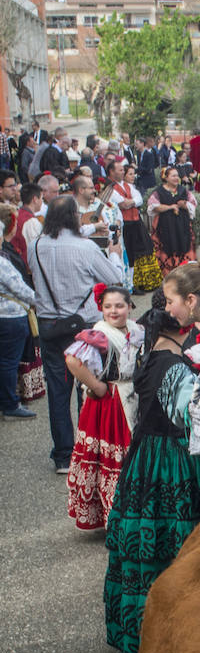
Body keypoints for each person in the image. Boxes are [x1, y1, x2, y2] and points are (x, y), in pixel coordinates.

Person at [103, 293, 200, 653]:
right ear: (181, 331)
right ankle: (170, 640)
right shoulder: (176, 368)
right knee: (173, 541)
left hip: (143, 458)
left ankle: (136, 631)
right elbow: (190, 416)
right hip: (171, 462)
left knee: (142, 542)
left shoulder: (146, 357)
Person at [29, 195, 123, 473]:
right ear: (73, 216)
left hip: (49, 324)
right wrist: (114, 254)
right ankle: (89, 449)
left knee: (58, 391)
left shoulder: (36, 246)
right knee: (89, 387)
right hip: (83, 326)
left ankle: (63, 455)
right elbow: (113, 278)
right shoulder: (85, 248)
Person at [64, 284, 143, 531]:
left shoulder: (136, 329)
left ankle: (130, 515)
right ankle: (115, 518)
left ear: (129, 306)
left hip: (132, 396)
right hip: (111, 404)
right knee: (115, 457)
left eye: (119, 306)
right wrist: (97, 387)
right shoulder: (100, 334)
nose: (113, 311)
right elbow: (73, 360)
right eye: (108, 306)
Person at [0, 202, 37, 420]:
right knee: (8, 362)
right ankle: (10, 405)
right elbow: (20, 289)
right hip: (9, 317)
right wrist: (39, 301)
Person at [108, 162, 159, 293]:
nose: (122, 172)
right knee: (129, 253)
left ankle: (138, 281)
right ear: (111, 172)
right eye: (119, 170)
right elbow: (122, 204)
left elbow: (139, 199)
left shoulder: (128, 186)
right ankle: (129, 284)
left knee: (141, 250)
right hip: (125, 223)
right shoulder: (111, 188)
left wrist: (131, 202)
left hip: (135, 221)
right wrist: (131, 202)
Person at [147, 167, 197, 275]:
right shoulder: (159, 192)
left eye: (177, 176)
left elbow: (193, 204)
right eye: (173, 176)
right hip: (165, 226)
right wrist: (170, 207)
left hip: (181, 225)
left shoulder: (183, 190)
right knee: (166, 247)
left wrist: (183, 205)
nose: (176, 178)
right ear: (166, 177)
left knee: (184, 245)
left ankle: (184, 273)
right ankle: (169, 274)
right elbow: (153, 206)